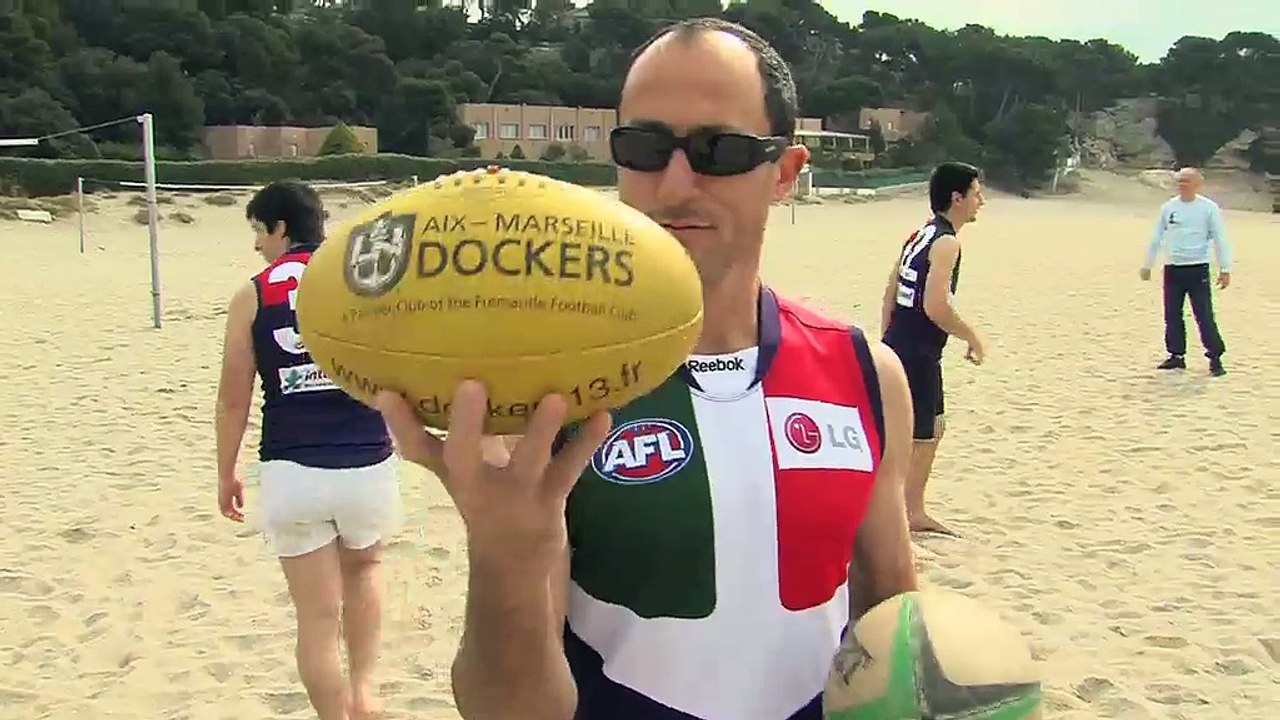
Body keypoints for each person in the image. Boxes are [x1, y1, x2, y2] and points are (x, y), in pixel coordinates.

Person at [376, 18, 918, 720]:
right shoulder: (546, 395)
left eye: (718, 149)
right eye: (645, 147)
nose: (675, 182)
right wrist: (506, 553)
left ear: (785, 172)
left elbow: (896, 620)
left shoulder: (865, 373)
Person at [214, 180, 401, 720]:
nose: (256, 245)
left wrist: (226, 472)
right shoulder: (367, 280)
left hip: (292, 467)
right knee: (365, 574)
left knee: (317, 621)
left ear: (280, 228)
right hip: (367, 460)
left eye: (258, 231)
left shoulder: (254, 292)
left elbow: (233, 399)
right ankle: (365, 695)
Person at [879, 161, 986, 537]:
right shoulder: (946, 242)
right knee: (925, 433)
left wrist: (887, 339)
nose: (981, 201)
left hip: (900, 344)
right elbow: (935, 305)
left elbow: (891, 286)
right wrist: (971, 336)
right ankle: (909, 513)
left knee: (913, 431)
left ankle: (906, 510)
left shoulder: (920, 234)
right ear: (957, 198)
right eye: (976, 194)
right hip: (919, 351)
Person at [1139, 167, 1231, 376]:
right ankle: (1176, 355)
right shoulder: (1168, 208)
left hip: (1197, 267)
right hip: (1173, 268)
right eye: (1180, 181)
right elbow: (1157, 237)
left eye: (1187, 181)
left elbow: (1220, 239)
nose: (1182, 185)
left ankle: (1215, 357)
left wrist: (1225, 269)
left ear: (1197, 183)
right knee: (1172, 314)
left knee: (1204, 314)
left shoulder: (1208, 208)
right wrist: (1147, 264)